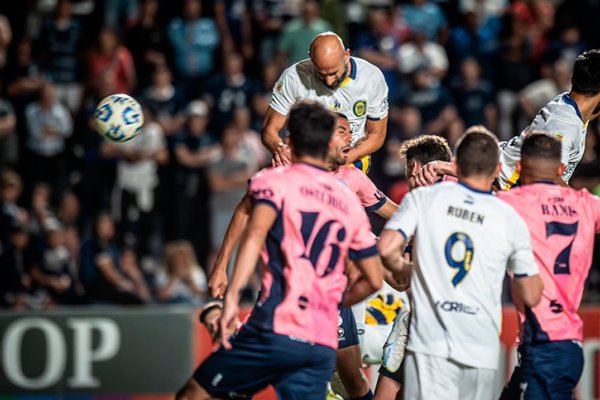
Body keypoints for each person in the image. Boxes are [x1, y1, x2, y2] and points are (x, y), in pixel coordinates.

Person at [175, 102, 383, 400]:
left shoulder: (273, 180)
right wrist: (329, 302)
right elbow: (373, 279)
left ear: (291, 141)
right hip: (321, 338)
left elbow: (254, 234)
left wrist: (232, 299)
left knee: (193, 395)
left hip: (277, 325)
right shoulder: (346, 198)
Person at [378, 128, 544, 399]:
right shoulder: (508, 216)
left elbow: (386, 248)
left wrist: (412, 272)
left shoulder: (423, 199)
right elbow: (532, 292)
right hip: (481, 344)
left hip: (430, 338)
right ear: (498, 169)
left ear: (457, 165)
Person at [497, 134, 600, 399]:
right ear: (561, 169)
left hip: (544, 342)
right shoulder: (587, 205)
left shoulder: (509, 204)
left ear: (519, 167)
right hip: (564, 342)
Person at [414, 49, 600, 190]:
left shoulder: (570, 104)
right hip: (498, 185)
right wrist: (578, 204)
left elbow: (588, 113)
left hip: (496, 173)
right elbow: (547, 175)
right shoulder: (565, 125)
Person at [373, 134, 453, 400]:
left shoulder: (421, 204)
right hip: (449, 322)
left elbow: (403, 279)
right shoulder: (468, 196)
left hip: (431, 323)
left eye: (408, 169)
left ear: (415, 168)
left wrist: (370, 250)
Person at [262, 32, 389, 172]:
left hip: (350, 161)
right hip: (305, 161)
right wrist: (279, 149)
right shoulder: (293, 77)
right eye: (321, 74)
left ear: (346, 56)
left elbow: (377, 135)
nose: (329, 80)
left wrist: (343, 159)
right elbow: (269, 130)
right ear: (311, 58)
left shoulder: (371, 78)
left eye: (334, 73)